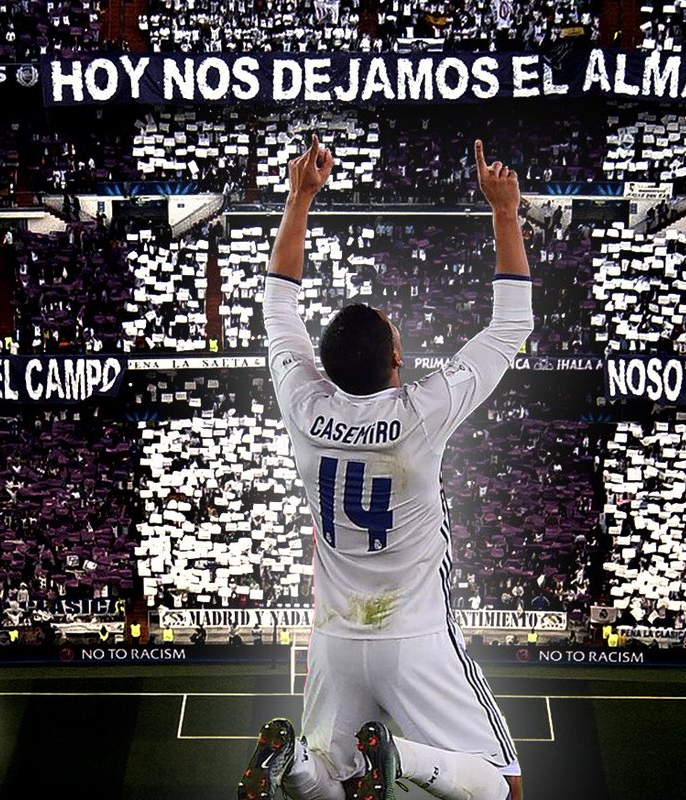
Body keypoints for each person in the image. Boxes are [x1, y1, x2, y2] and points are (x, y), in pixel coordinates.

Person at [238, 135, 531, 800]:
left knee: (331, 781)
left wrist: (299, 197)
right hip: (416, 637)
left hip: (335, 640)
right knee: (504, 787)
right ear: (396, 359)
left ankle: (293, 765)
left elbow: (278, 304)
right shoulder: (421, 412)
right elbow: (511, 325)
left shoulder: (304, 403)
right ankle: (404, 756)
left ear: (325, 365)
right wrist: (504, 211)